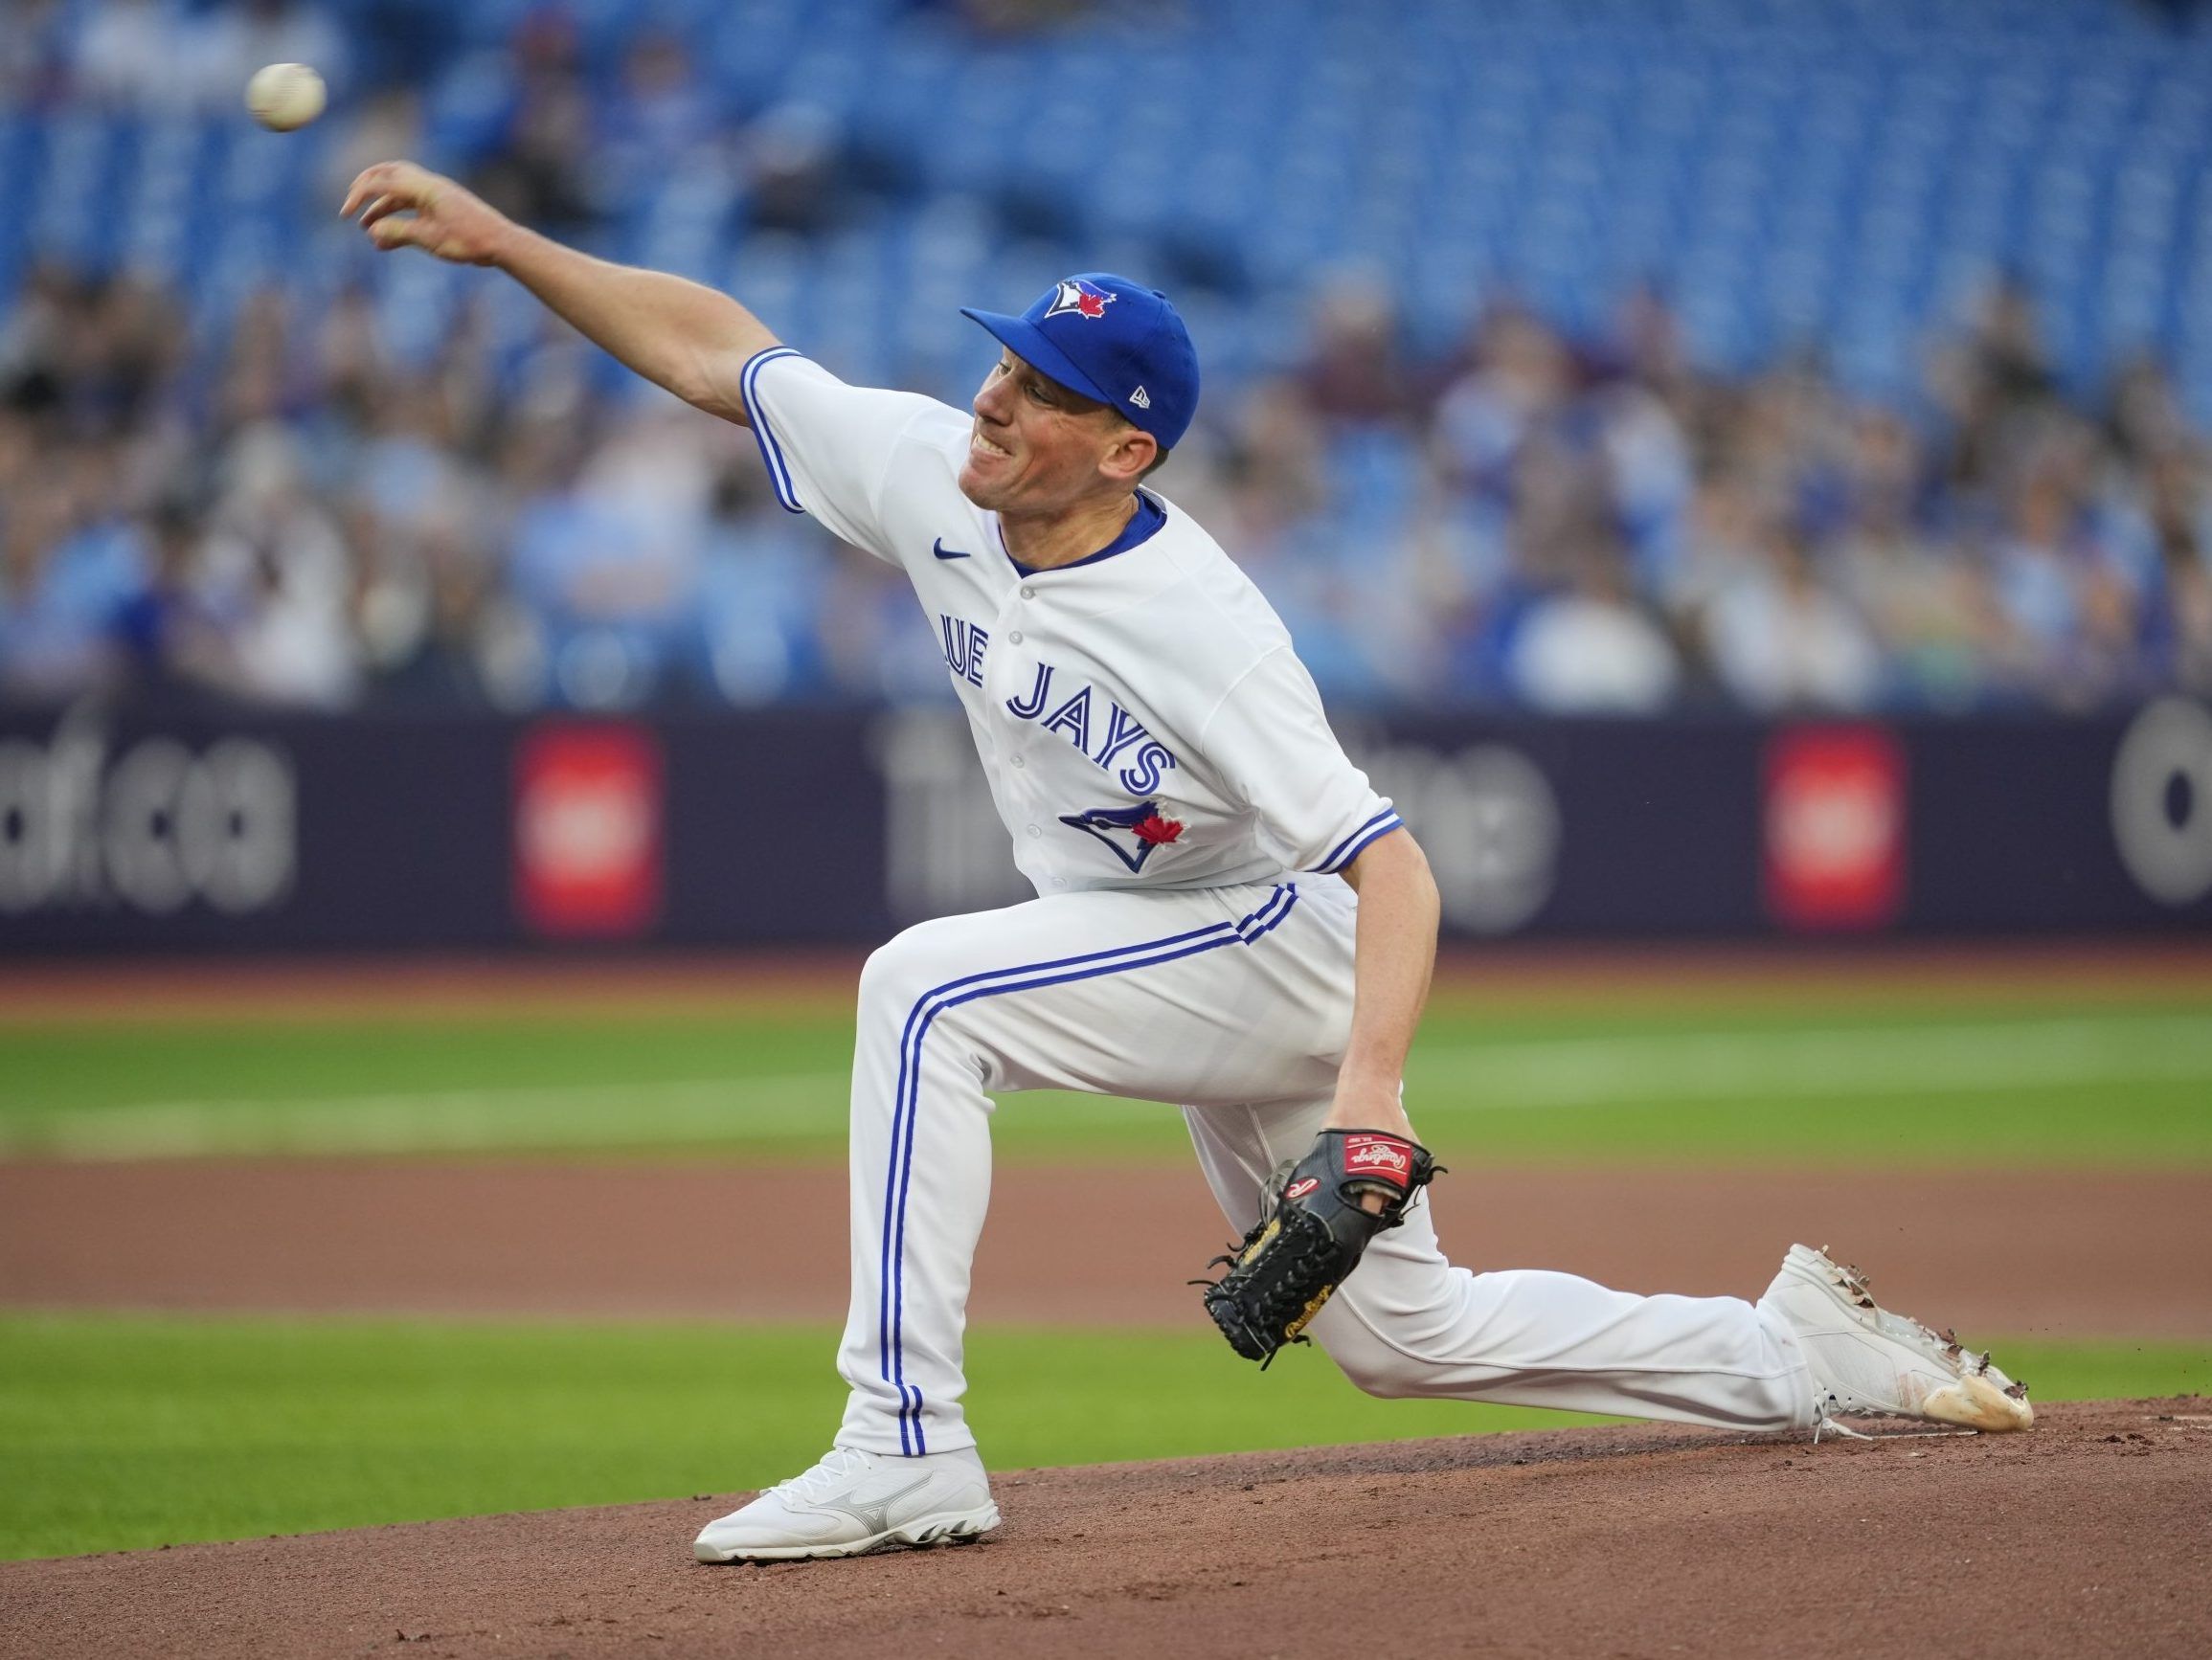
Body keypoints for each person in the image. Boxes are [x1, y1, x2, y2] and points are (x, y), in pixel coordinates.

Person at [341, 161, 2035, 1562]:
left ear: (1125, 449)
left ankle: (903, 1440)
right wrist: (504, 246)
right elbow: (730, 356)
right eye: (1006, 364)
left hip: (1270, 934)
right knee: (1398, 1341)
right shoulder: (942, 474)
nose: (998, 397)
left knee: (923, 995)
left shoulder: (1200, 624)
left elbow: (1397, 869)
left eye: (1045, 393)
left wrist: (1372, 1092)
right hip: (1144, 935)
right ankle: (1784, 1350)